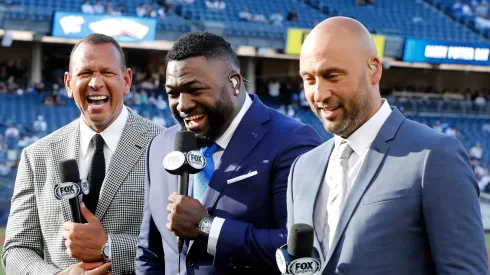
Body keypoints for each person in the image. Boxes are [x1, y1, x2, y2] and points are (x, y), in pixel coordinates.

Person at [287, 17, 488, 274]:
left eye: (332, 76)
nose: (319, 94)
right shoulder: (302, 169)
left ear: (373, 69)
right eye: (309, 79)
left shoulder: (434, 156)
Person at [135, 31, 321, 274]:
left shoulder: (292, 141)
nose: (182, 104)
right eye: (173, 93)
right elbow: (150, 253)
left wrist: (208, 228)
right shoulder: (161, 145)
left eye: (195, 89)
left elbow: (300, 249)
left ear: (233, 83)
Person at [2, 33, 163, 275]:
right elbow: (17, 247)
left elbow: (181, 244)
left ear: (127, 80)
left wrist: (109, 248)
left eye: (107, 72)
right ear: (68, 83)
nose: (96, 83)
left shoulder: (163, 147)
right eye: (85, 73)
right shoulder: (37, 156)